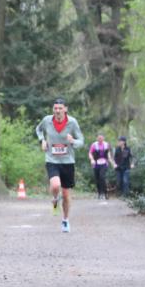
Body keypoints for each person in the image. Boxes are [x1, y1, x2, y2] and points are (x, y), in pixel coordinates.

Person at [35, 99, 84, 232]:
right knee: (56, 185)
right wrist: (42, 140)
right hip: (52, 159)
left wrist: (73, 141)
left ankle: (65, 220)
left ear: (65, 109)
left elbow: (81, 141)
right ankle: (55, 199)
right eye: (55, 108)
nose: (57, 111)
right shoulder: (47, 120)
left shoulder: (72, 122)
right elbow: (38, 129)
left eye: (60, 108)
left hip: (68, 161)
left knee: (66, 194)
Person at [88, 134, 114, 200]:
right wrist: (92, 159)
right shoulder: (94, 145)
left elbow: (109, 154)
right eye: (99, 138)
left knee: (102, 177)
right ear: (97, 138)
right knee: (97, 179)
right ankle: (100, 193)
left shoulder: (106, 144)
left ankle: (105, 193)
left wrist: (112, 163)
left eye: (101, 138)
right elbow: (90, 153)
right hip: (96, 163)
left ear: (103, 138)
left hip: (104, 163)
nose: (100, 139)